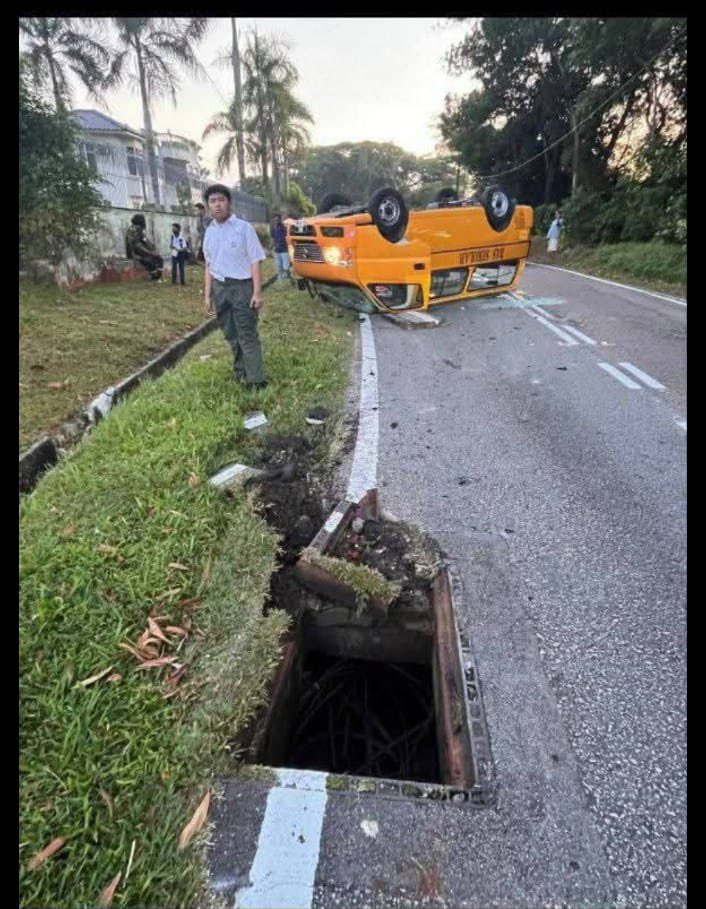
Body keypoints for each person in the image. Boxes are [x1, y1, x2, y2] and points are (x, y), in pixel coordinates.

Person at [202, 183, 268, 389]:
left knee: (247, 333)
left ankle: (256, 380)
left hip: (242, 287)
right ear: (208, 206)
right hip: (220, 290)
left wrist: (257, 292)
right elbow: (209, 265)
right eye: (213, 201)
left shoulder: (243, 229)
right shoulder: (209, 232)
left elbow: (255, 260)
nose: (217, 205)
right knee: (231, 334)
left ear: (229, 203)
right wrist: (207, 295)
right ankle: (241, 372)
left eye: (221, 200)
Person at [125, 213, 164, 280]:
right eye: (143, 221)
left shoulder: (139, 230)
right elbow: (137, 246)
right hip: (135, 253)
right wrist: (150, 253)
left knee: (160, 258)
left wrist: (153, 248)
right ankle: (155, 276)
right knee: (149, 261)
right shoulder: (132, 230)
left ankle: (158, 276)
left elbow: (145, 240)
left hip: (142, 252)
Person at [270, 213, 290, 281]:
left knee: (286, 267)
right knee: (278, 267)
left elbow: (288, 237)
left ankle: (287, 279)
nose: (276, 221)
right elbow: (273, 239)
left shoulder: (284, 227)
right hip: (277, 250)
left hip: (284, 250)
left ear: (280, 219)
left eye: (277, 219)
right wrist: (270, 247)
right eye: (275, 220)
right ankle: (280, 280)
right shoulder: (273, 229)